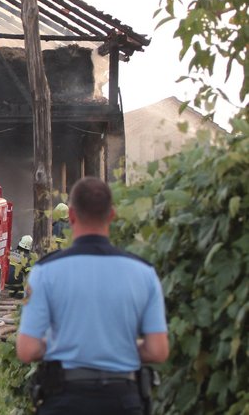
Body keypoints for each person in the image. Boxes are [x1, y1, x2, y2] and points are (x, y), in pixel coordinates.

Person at [16, 177, 168, 414]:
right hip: (123, 401)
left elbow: (27, 351)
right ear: (112, 215)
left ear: (72, 215)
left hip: (64, 400)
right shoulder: (144, 273)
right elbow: (158, 351)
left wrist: (68, 344)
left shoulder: (44, 272)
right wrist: (118, 347)